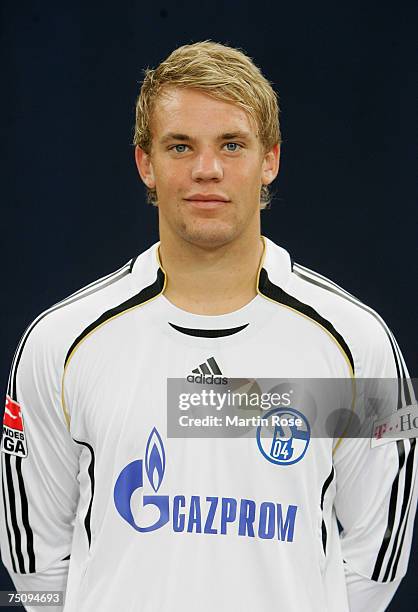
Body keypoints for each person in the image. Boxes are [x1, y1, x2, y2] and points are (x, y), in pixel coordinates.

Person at [0, 41, 416, 612]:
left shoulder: (357, 343)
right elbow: (33, 559)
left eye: (232, 144)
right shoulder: (60, 342)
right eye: (180, 146)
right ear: (145, 162)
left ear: (270, 158)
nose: (207, 169)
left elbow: (378, 558)